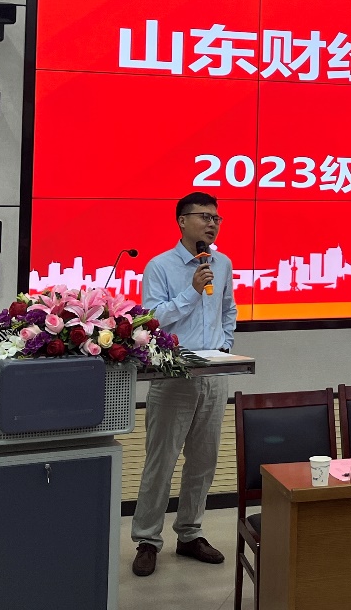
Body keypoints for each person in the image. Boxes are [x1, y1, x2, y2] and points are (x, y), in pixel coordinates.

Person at [131, 191, 237, 577]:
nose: (212, 224)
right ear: (182, 220)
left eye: (216, 218)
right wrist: (192, 290)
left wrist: (224, 344)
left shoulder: (222, 263)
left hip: (214, 375)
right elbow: (152, 318)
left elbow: (228, 309)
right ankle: (147, 539)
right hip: (173, 375)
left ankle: (190, 533)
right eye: (204, 217)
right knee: (161, 461)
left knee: (203, 460)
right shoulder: (160, 266)